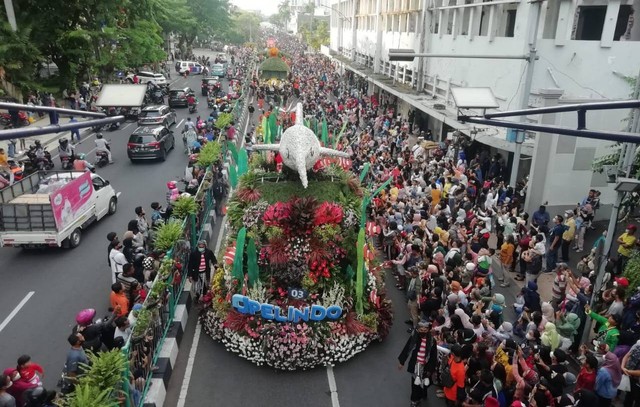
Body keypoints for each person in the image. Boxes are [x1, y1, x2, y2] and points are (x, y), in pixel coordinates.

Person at [397, 322, 438, 407]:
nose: (423, 331)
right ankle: (414, 400)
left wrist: (430, 369)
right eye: (421, 330)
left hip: (426, 366)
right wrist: (402, 362)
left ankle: (422, 394)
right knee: (415, 384)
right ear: (417, 330)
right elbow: (407, 348)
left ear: (428, 330)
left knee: (425, 382)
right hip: (416, 365)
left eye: (425, 330)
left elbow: (433, 356)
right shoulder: (414, 337)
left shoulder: (432, 341)